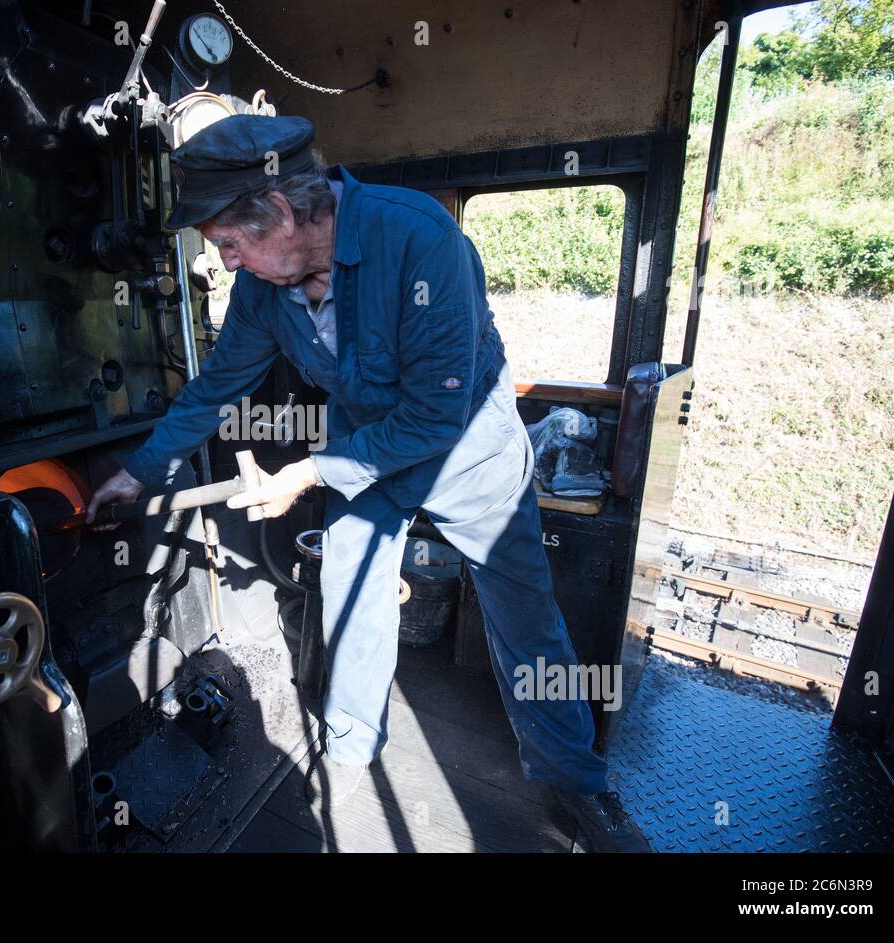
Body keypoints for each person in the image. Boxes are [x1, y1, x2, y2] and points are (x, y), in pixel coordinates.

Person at [87, 114, 651, 852]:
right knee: (349, 594)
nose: (225, 264)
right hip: (365, 452)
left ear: (283, 214)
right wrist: (138, 471)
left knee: (526, 616)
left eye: (230, 242)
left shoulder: (418, 238)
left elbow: (433, 417)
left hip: (467, 452)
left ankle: (577, 781)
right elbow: (217, 385)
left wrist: (307, 471)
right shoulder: (265, 288)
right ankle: (351, 748)